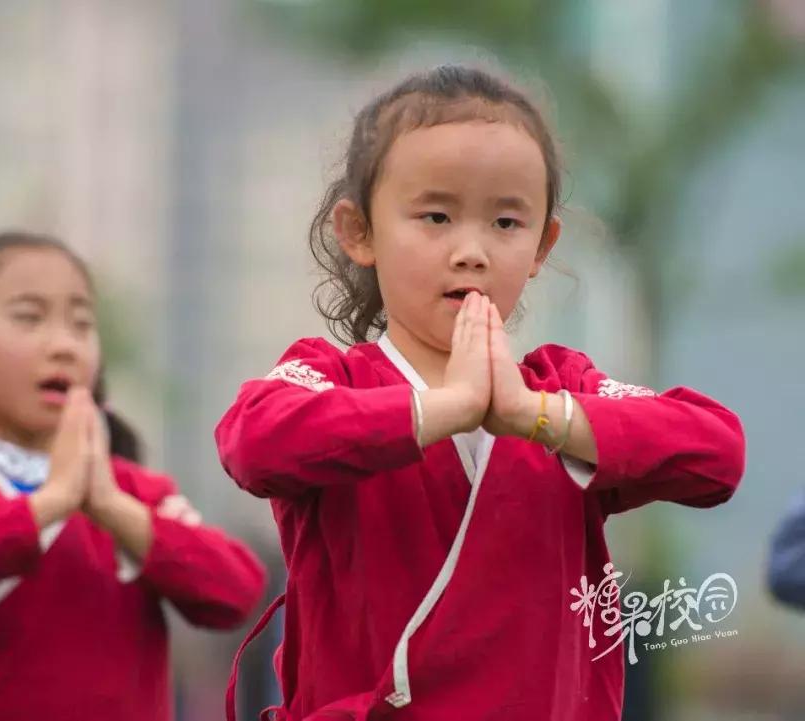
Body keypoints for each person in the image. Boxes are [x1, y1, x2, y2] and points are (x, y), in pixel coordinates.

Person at [216, 65, 746, 721]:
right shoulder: (329, 379)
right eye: (436, 216)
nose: (472, 251)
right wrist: (444, 410)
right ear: (358, 231)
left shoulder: (561, 393)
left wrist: (532, 414)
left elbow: (716, 452)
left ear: (543, 245)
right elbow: (252, 442)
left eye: (506, 222)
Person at [0, 231, 267, 720]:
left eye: (81, 324)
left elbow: (236, 591)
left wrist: (111, 507)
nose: (65, 345)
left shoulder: (132, 493)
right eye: (29, 317)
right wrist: (50, 503)